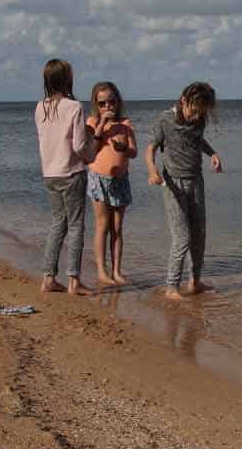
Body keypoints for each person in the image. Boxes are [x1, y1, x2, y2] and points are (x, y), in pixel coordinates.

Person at [146, 81, 223, 300]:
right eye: (193, 110)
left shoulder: (200, 118)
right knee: (182, 237)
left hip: (196, 181)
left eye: (201, 112)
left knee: (199, 234)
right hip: (173, 184)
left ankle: (195, 282)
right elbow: (150, 148)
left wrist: (213, 154)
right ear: (183, 101)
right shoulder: (165, 119)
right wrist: (152, 170)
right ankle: (171, 287)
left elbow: (197, 140)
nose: (195, 116)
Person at [35, 59, 99, 296]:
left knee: (57, 224)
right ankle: (74, 280)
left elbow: (50, 139)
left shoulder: (39, 107)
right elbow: (80, 146)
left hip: (50, 173)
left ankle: (48, 277)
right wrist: (93, 152)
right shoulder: (74, 106)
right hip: (71, 172)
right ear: (66, 79)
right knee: (75, 227)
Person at [86, 81, 137, 285]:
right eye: (102, 103)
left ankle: (117, 271)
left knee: (117, 227)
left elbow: (133, 152)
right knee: (102, 225)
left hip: (120, 179)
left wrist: (123, 148)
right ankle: (101, 270)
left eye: (111, 102)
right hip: (99, 177)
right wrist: (100, 127)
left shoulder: (125, 124)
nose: (107, 107)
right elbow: (91, 149)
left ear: (117, 102)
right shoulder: (92, 122)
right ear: (96, 105)